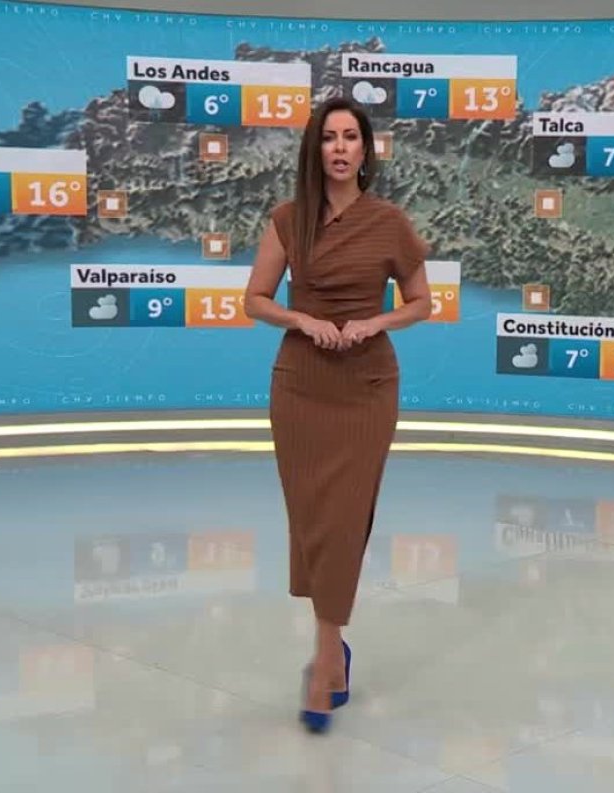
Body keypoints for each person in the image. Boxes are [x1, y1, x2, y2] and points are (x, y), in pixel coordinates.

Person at [241, 96, 433, 734]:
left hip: (366, 386)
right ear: (315, 149)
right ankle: (334, 653)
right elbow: (256, 299)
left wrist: (375, 322)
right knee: (313, 523)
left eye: (352, 137)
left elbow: (422, 302)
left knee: (345, 521)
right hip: (301, 386)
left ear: (366, 150)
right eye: (330, 138)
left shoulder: (390, 222)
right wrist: (302, 319)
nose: (341, 148)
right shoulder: (288, 219)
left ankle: (324, 661)